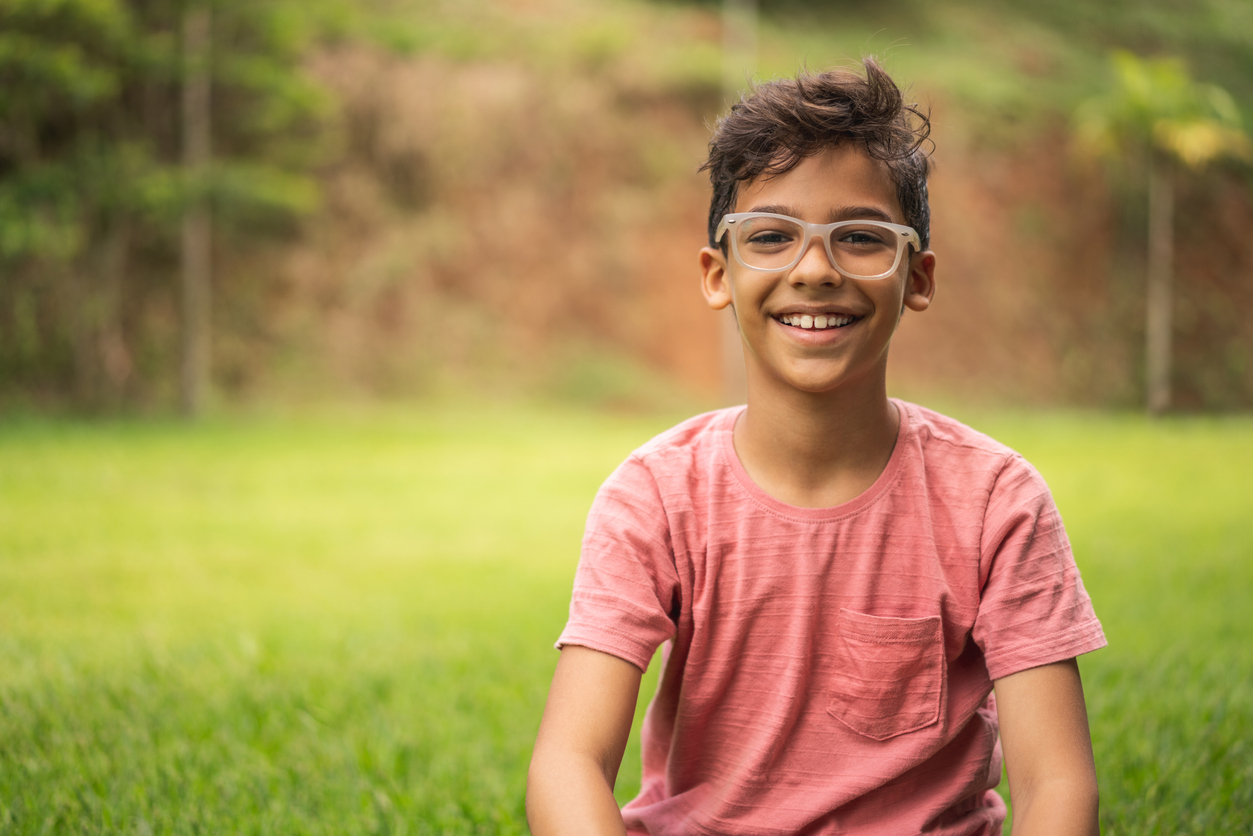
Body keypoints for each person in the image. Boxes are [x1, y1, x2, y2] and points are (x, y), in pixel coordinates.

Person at [526, 58, 1106, 836]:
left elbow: (1056, 785)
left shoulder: (996, 501)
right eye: (769, 236)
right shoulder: (655, 496)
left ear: (918, 276)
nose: (813, 270)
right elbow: (569, 762)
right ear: (716, 274)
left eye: (860, 238)